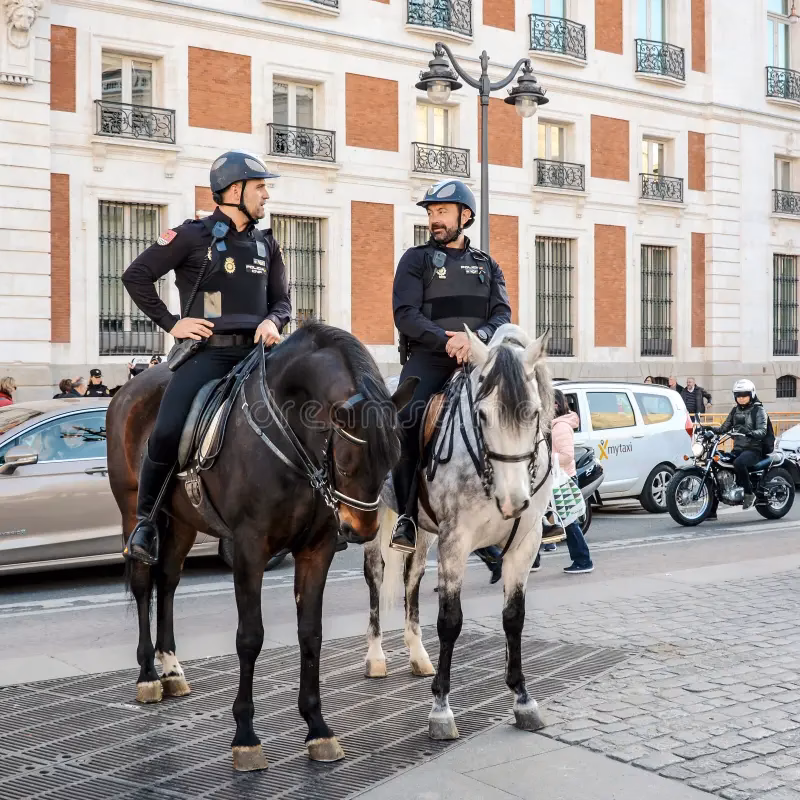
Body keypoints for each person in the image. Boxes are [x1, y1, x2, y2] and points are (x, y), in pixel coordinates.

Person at [120, 150, 292, 564]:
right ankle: (145, 522)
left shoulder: (266, 243)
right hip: (208, 356)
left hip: (260, 356)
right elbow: (136, 275)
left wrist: (274, 321)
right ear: (235, 191)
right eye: (260, 186)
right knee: (166, 430)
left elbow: (283, 301)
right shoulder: (194, 235)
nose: (266, 195)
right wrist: (172, 323)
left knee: (310, 416)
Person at [389, 179, 512, 553]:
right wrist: (447, 340)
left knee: (519, 413)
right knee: (405, 419)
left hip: (477, 358)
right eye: (430, 213)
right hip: (428, 358)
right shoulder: (416, 259)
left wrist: (474, 340)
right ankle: (407, 517)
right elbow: (405, 314)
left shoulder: (487, 265)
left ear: (466, 215)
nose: (434, 220)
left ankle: (531, 509)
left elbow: (502, 315)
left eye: (441, 212)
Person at [547, 389, 593, 574]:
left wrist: (544, 457)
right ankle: (533, 560)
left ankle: (583, 560)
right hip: (556, 478)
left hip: (563, 478)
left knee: (569, 521)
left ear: (556, 405)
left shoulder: (560, 427)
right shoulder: (554, 425)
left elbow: (567, 456)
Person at [708, 379, 768, 510]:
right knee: (717, 463)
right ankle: (710, 510)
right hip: (738, 449)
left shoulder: (758, 410)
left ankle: (748, 493)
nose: (741, 399)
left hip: (754, 450)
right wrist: (709, 428)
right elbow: (724, 428)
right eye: (738, 396)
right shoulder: (735, 410)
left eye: (744, 395)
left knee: (739, 463)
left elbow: (763, 431)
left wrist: (750, 432)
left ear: (751, 395)